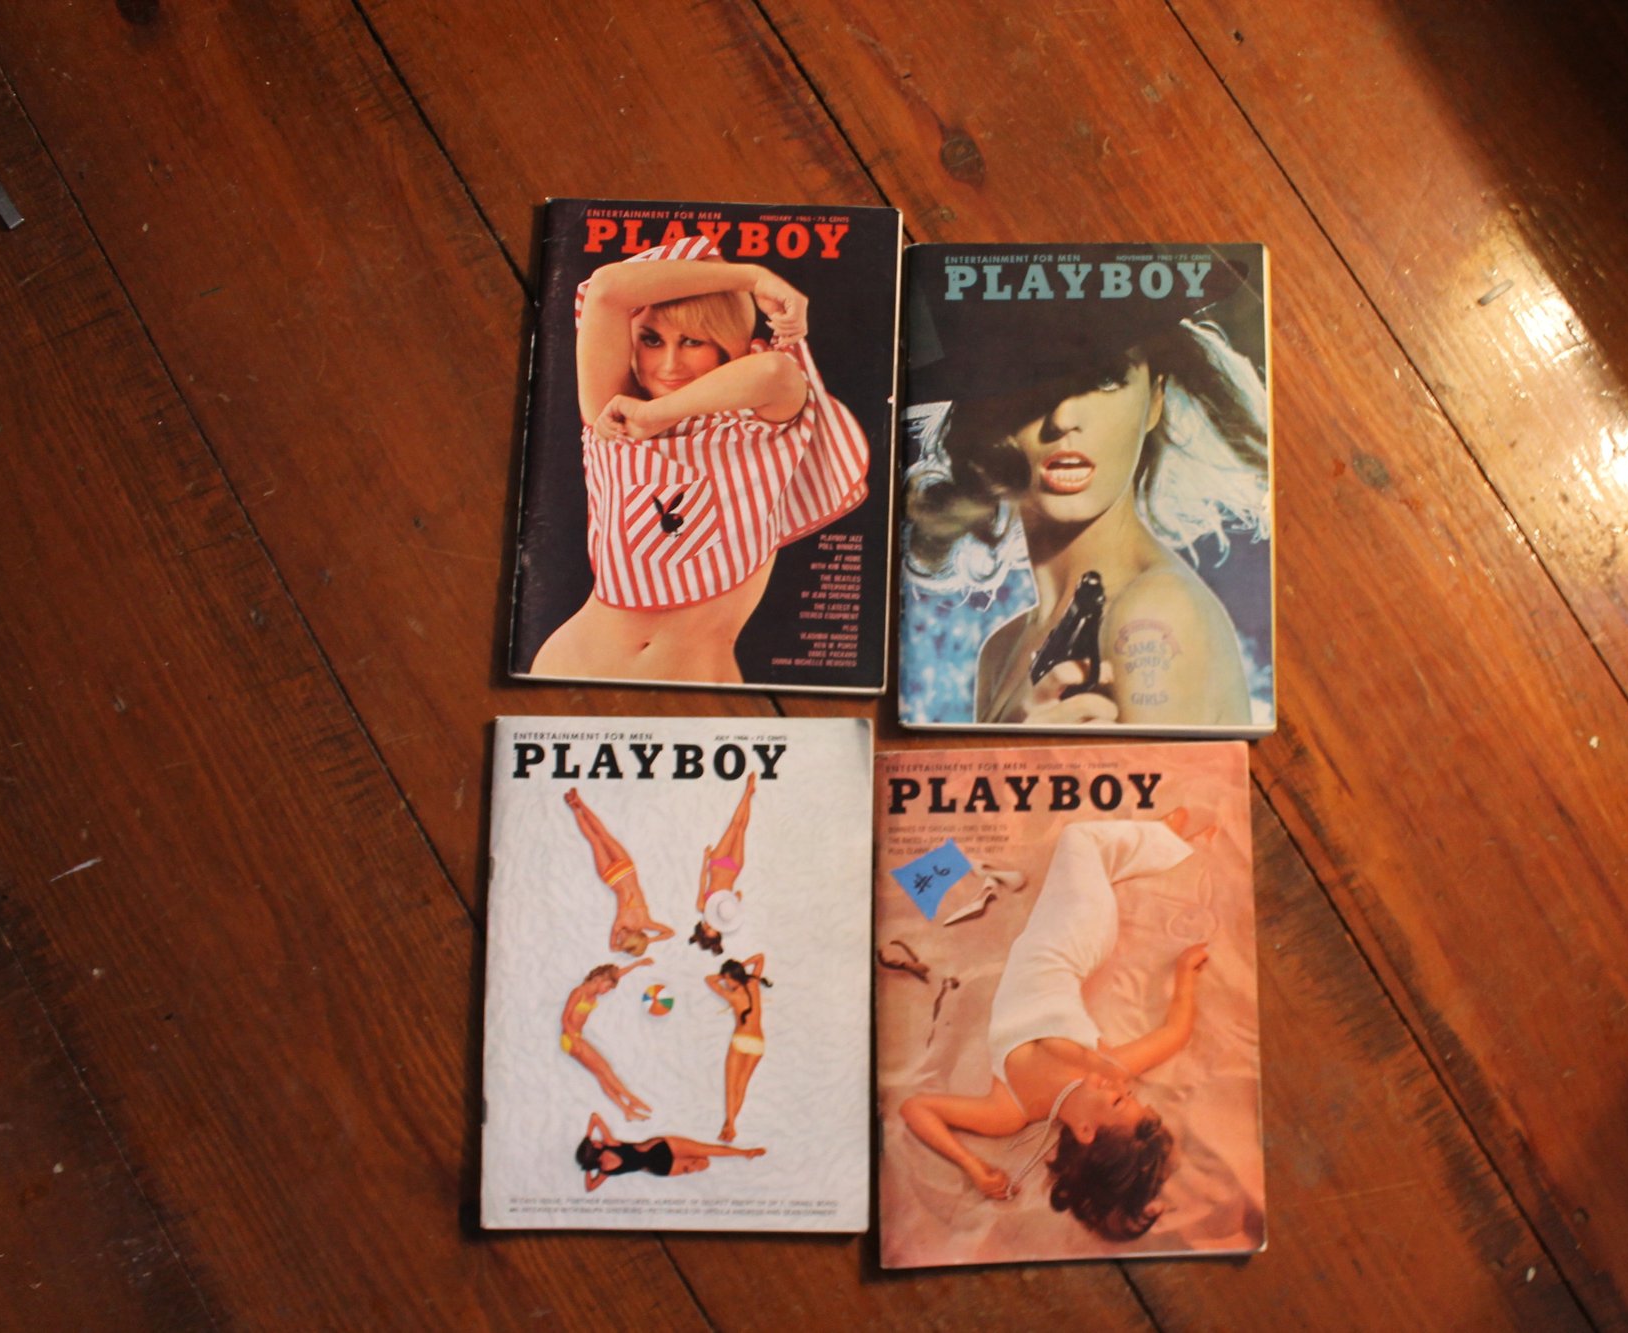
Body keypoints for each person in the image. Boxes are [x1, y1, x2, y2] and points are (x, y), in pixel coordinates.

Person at [905, 264, 1270, 727]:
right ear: (986, 416)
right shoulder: (1000, 652)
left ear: (1155, 402)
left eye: (1105, 378)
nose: (1063, 419)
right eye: (1028, 380)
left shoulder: (1153, 613)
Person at [530, 235, 870, 684]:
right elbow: (608, 289)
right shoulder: (610, 414)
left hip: (695, 686)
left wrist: (657, 415)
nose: (668, 363)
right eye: (651, 340)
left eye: (692, 341)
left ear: (728, 344)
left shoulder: (762, 428)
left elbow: (774, 372)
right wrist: (751, 276)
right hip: (571, 670)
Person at [897, 818, 1210, 1242]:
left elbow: (916, 1108)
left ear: (1086, 1131)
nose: (1122, 1086)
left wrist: (972, 1167)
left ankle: (1153, 841)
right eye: (1130, 1094)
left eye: (1119, 1100)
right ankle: (1163, 835)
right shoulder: (1107, 1067)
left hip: (1042, 933)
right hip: (1077, 939)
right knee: (1078, 838)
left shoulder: (1011, 1109)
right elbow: (1175, 1034)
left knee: (1082, 853)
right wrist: (1185, 972)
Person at [563, 788, 674, 956]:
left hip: (615, 875)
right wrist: (647, 941)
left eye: (620, 940)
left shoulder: (625, 924)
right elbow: (670, 933)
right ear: (635, 936)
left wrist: (633, 944)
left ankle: (575, 807)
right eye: (624, 939)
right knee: (602, 836)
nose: (619, 937)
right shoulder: (645, 923)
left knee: (596, 840)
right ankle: (579, 802)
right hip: (623, 870)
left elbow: (613, 947)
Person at [574, 1109, 764, 1192]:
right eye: (593, 1142)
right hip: (658, 1147)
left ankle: (696, 1166)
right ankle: (745, 1153)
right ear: (595, 1146)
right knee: (707, 1150)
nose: (596, 1140)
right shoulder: (610, 1143)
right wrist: (587, 1136)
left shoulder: (605, 1172)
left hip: (660, 1168)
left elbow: (589, 1187)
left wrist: (588, 1166)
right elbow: (595, 1117)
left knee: (705, 1162)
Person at [560, 961, 654, 1121]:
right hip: (570, 1038)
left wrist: (638, 964)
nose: (607, 991)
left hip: (576, 1038)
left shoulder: (594, 993)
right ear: (600, 978)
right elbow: (564, 1019)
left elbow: (616, 974)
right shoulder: (579, 992)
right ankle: (632, 1099)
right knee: (605, 1069)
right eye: (608, 987)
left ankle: (627, 1110)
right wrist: (575, 1041)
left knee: (602, 1075)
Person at [704, 954, 771, 1143]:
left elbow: (708, 979)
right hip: (758, 1043)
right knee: (741, 1086)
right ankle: (729, 1127)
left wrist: (724, 974)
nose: (726, 983)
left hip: (741, 1040)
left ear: (731, 977)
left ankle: (731, 1126)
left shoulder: (731, 995)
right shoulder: (753, 984)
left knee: (731, 1088)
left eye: (727, 979)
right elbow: (760, 957)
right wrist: (739, 968)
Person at [690, 772, 756, 955]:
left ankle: (748, 791)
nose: (714, 927)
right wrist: (737, 898)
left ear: (703, 930)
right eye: (716, 932)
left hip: (717, 863)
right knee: (741, 830)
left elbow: (703, 881)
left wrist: (705, 858)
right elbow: (737, 896)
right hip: (734, 868)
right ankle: (749, 796)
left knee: (734, 825)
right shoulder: (728, 914)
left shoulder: (702, 906)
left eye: (709, 930)